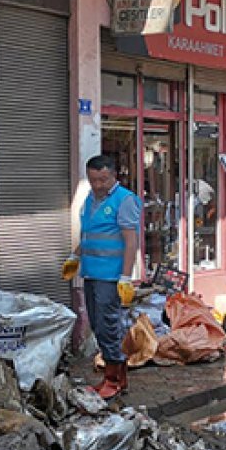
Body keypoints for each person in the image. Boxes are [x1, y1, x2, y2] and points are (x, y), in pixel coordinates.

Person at [64, 155, 141, 398]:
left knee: (108, 325)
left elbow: (131, 242)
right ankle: (119, 376)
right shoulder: (89, 199)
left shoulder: (124, 200)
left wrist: (126, 277)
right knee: (97, 324)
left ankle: (113, 379)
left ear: (113, 175)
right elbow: (88, 234)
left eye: (103, 179)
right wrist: (75, 257)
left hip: (111, 275)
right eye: (93, 179)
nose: (98, 185)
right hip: (91, 272)